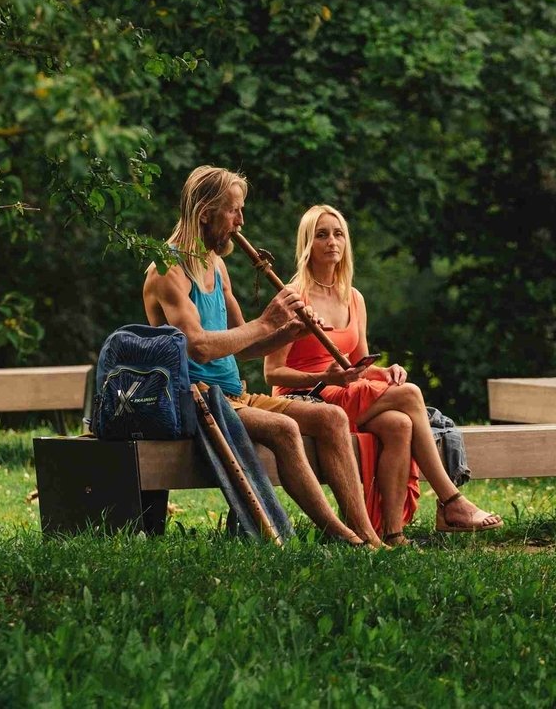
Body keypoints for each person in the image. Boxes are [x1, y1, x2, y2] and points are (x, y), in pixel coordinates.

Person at [141, 167, 382, 547]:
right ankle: (341, 534)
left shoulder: (216, 265)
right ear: (205, 213)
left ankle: (367, 534)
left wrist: (287, 332)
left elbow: (244, 345)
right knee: (283, 428)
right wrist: (266, 321)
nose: (241, 221)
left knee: (332, 417)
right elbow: (198, 346)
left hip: (234, 396)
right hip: (198, 401)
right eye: (233, 211)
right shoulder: (168, 270)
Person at [262, 205, 502, 545]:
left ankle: (392, 533)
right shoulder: (293, 298)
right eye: (321, 235)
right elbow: (273, 374)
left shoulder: (353, 298)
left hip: (343, 390)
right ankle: (451, 500)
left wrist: (383, 371)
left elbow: (357, 364)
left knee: (400, 424)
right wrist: (324, 379)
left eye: (338, 234)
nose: (332, 242)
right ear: (307, 244)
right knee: (410, 394)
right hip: (306, 398)